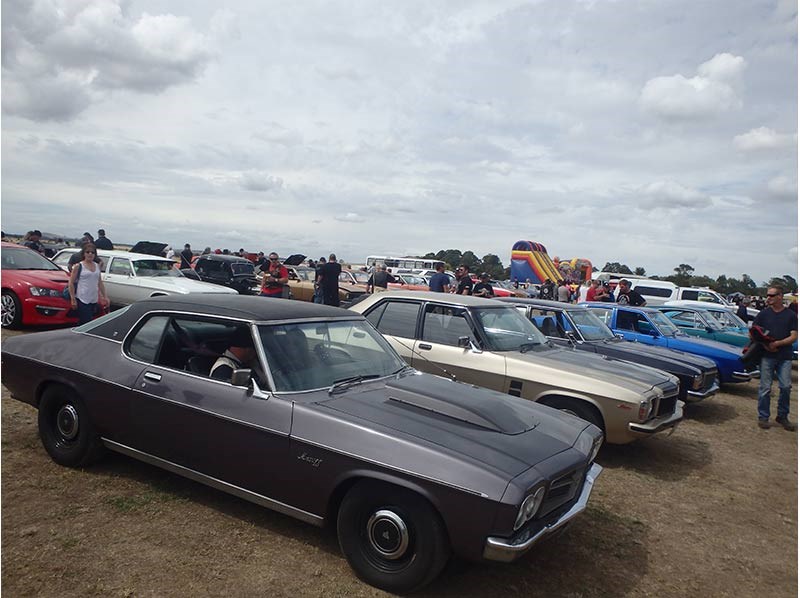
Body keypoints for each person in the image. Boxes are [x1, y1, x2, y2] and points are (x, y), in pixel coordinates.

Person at [753, 287, 798, 430]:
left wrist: (778, 343)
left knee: (785, 387)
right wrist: (765, 344)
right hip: (767, 356)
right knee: (765, 387)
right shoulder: (763, 314)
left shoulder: (791, 315)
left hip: (784, 356)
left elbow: (794, 336)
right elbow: (753, 332)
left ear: (780, 296)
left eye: (772, 295)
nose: (768, 298)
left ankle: (782, 416)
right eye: (767, 295)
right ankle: (763, 416)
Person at [68, 243, 108, 325]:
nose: (90, 254)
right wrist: (73, 299)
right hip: (82, 299)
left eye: (92, 252)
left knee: (86, 322)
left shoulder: (97, 266)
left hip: (93, 299)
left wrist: (105, 297)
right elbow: (71, 283)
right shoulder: (78, 266)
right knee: (87, 322)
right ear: (84, 254)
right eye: (88, 252)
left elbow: (99, 282)